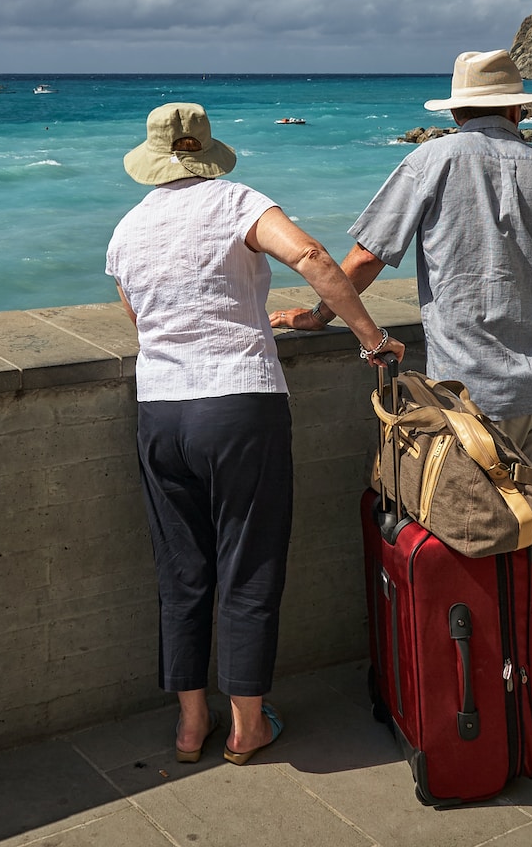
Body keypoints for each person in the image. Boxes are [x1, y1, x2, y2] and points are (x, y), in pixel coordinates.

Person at [272, 50, 532, 652]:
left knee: (474, 536)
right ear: (516, 108)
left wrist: (319, 315)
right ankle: (530, 684)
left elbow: (368, 255)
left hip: (473, 394)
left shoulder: (433, 159)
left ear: (457, 111)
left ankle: (481, 688)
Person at [107, 102, 403, 767]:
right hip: (238, 403)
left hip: (161, 410)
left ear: (152, 159)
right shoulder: (237, 201)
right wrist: (371, 338)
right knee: (248, 562)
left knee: (181, 569)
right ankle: (246, 725)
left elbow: (139, 315)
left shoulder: (127, 230)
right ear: (206, 152)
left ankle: (189, 725)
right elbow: (312, 255)